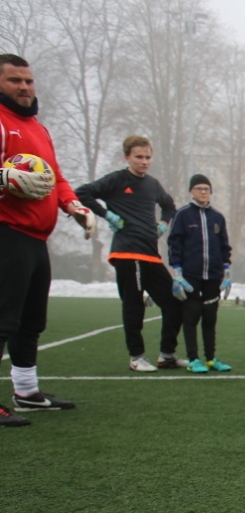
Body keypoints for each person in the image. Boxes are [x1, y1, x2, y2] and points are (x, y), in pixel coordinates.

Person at [0, 53, 95, 426]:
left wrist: (74, 206)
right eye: (14, 80)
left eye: (28, 80)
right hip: (7, 233)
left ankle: (26, 391)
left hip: (36, 239)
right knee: (3, 320)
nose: (24, 87)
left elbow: (54, 178)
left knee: (31, 321)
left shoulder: (37, 128)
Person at [76, 135, 184, 372]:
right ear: (127, 157)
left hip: (151, 255)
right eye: (139, 157)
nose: (144, 161)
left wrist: (164, 223)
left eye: (147, 157)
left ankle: (167, 355)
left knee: (175, 303)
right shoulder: (117, 180)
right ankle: (137, 357)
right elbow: (82, 193)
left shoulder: (153, 184)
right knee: (134, 306)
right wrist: (107, 215)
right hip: (126, 253)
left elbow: (169, 205)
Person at [167, 174, 232, 372]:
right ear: (191, 192)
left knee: (210, 317)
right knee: (191, 316)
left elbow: (224, 246)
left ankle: (211, 358)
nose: (203, 192)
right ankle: (193, 359)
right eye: (199, 188)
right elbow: (174, 242)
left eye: (206, 189)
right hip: (190, 276)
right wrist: (177, 271)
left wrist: (226, 271)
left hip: (213, 276)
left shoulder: (217, 217)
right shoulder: (183, 214)